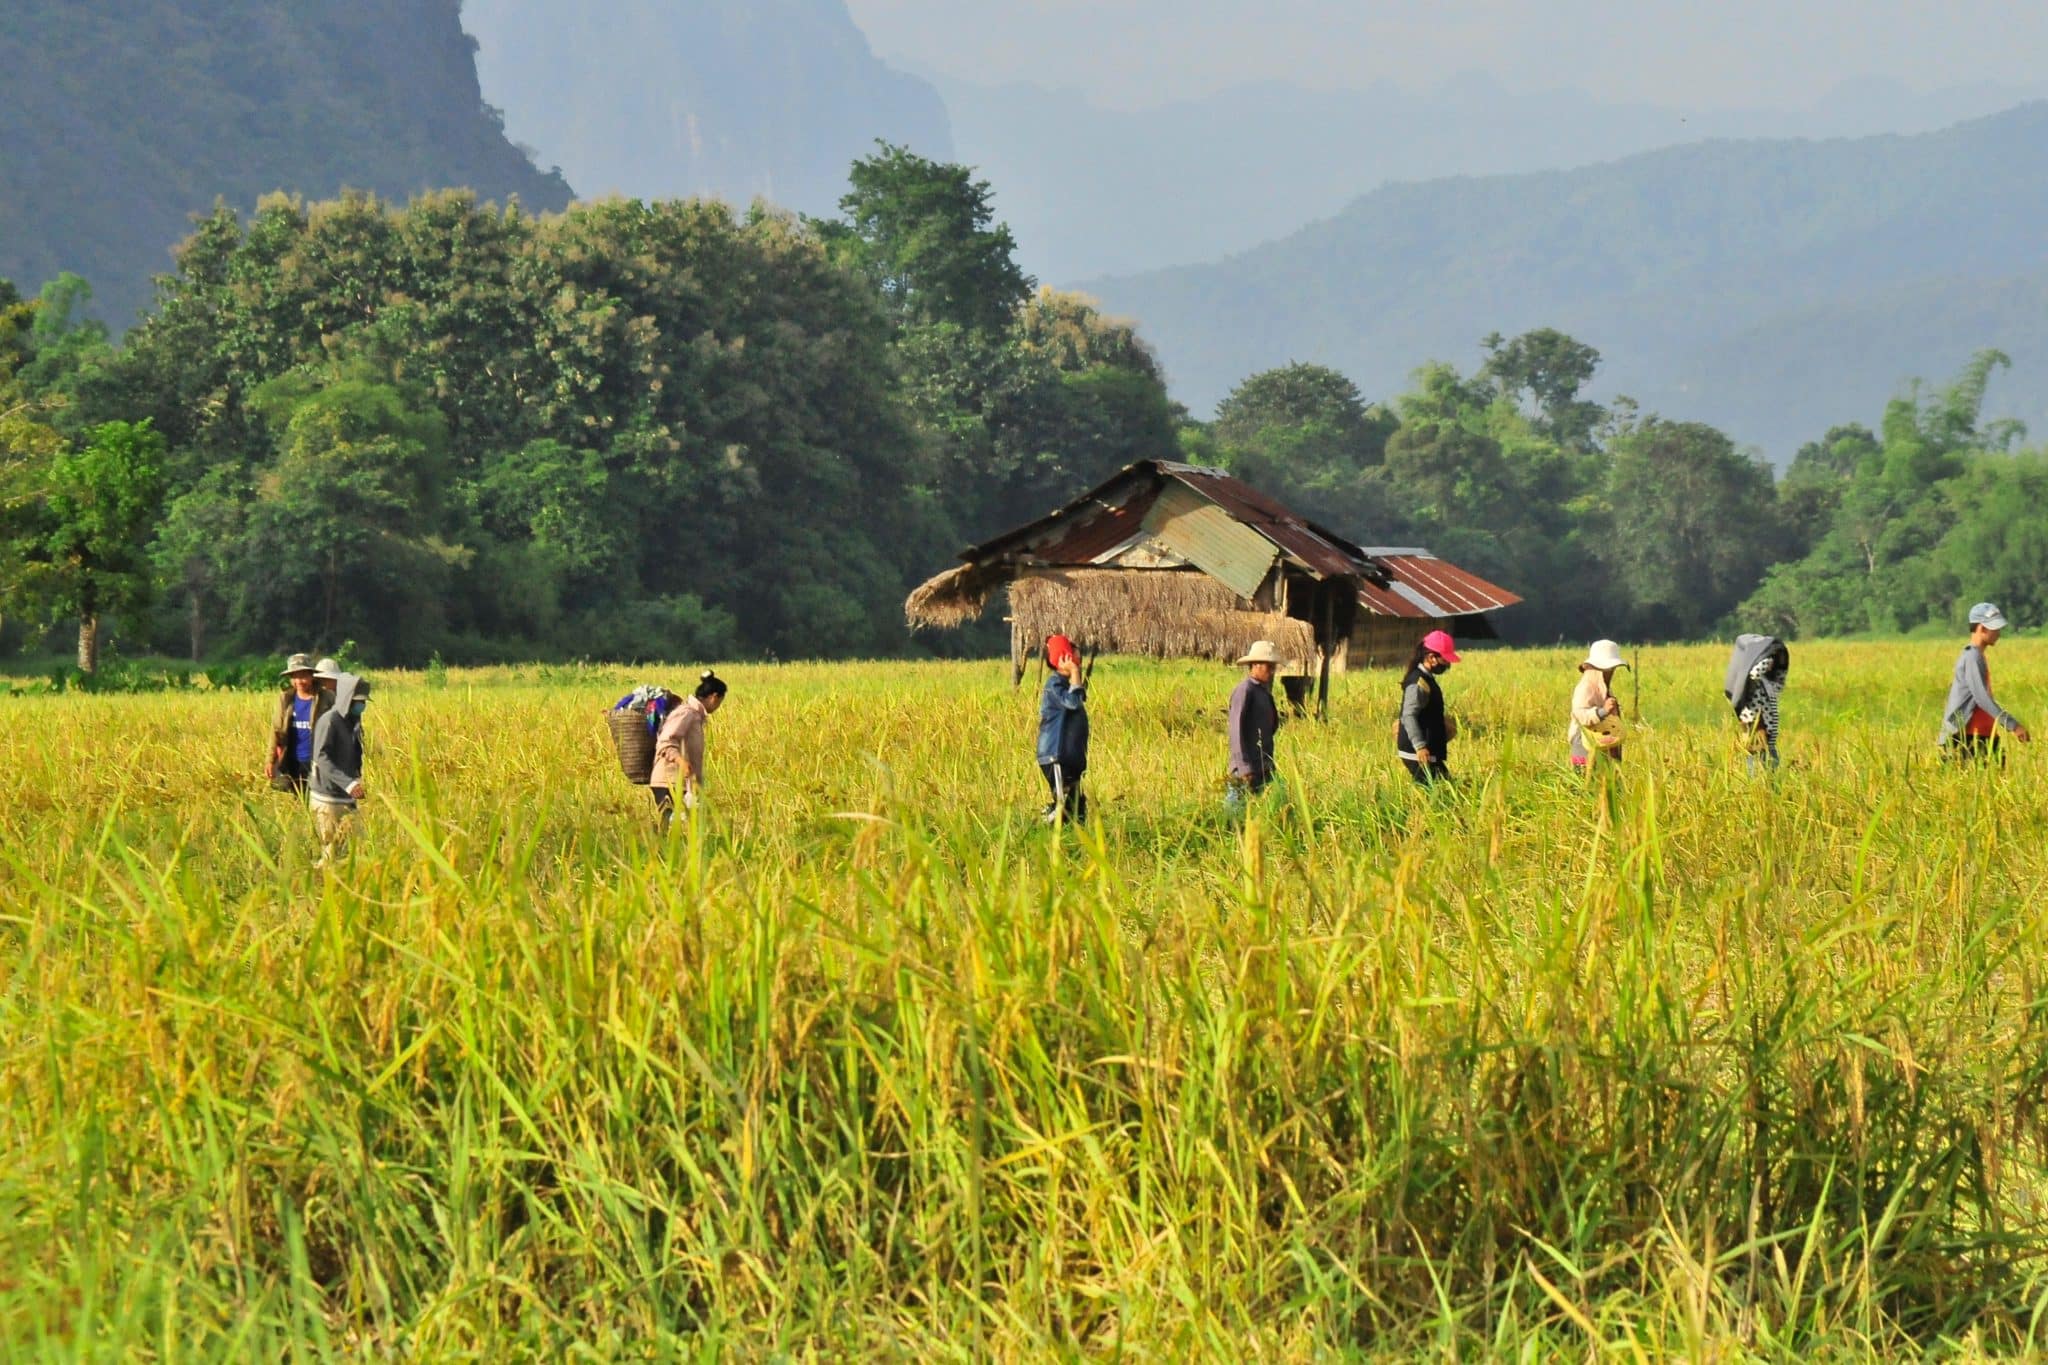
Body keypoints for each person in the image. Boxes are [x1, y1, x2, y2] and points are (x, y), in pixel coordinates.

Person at [1941, 602, 2031, 764]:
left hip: (1985, 735)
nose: (1998, 633)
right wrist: (2014, 726)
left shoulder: (1978, 656)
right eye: (1994, 629)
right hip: (1967, 739)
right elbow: (1982, 698)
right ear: (1982, 628)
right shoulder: (1972, 657)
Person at [308, 673, 370, 866]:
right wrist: (348, 784)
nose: (360, 706)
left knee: (353, 848)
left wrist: (356, 780)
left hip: (347, 795)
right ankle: (324, 886)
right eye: (356, 702)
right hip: (328, 797)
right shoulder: (329, 721)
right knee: (330, 851)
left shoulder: (353, 722)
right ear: (345, 699)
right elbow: (322, 758)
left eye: (362, 703)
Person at [651, 670, 726, 829]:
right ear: (714, 697)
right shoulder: (686, 713)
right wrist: (681, 761)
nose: (718, 706)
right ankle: (657, 850)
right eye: (720, 702)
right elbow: (665, 741)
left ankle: (664, 850)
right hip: (669, 780)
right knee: (672, 827)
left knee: (682, 827)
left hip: (682, 783)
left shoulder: (696, 717)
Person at [1036, 634, 1089, 823]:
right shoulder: (1054, 684)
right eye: (1075, 659)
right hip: (1056, 756)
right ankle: (1046, 823)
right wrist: (1074, 673)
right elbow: (1073, 702)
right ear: (1063, 659)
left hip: (1069, 758)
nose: (1078, 664)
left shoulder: (1065, 685)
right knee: (1062, 804)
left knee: (1077, 808)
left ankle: (1075, 841)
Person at [1395, 630, 1460, 784]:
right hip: (1419, 754)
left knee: (1448, 787)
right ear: (1431, 658)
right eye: (1445, 660)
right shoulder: (1419, 683)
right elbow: (1409, 715)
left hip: (1427, 752)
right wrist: (1420, 746)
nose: (1448, 665)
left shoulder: (1427, 679)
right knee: (1436, 795)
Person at [1226, 640, 1284, 808]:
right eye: (1269, 666)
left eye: (1273, 666)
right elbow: (1236, 731)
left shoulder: (1264, 693)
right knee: (1235, 817)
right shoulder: (1245, 691)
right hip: (1245, 769)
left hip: (1262, 767)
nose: (1272, 671)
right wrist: (1244, 767)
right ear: (1256, 665)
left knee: (1260, 815)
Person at [264, 653, 329, 795]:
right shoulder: (286, 699)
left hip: (318, 761)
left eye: (304, 675)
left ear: (312, 676)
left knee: (318, 800)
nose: (300, 681)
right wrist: (270, 760)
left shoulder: (325, 698)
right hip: (293, 760)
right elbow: (276, 731)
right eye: (296, 676)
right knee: (299, 799)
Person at [1725, 635, 1789, 770]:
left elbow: (1779, 682)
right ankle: (1760, 784)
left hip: (1768, 731)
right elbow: (1754, 673)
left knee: (1766, 759)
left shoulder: (1768, 683)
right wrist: (1766, 661)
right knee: (1758, 757)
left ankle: (1764, 783)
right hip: (1758, 727)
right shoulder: (1754, 686)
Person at [1568, 640, 1629, 771]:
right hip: (1583, 742)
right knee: (1582, 778)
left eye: (1612, 669)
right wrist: (1602, 711)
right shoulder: (1585, 687)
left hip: (1602, 739)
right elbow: (1579, 714)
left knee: (1607, 779)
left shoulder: (1604, 688)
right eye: (1608, 669)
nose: (1611, 672)